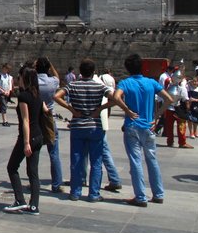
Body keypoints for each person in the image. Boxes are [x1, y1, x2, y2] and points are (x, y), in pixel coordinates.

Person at [54, 58, 132, 203]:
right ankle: (93, 193)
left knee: (76, 160)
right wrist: (100, 108)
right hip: (95, 127)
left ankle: (75, 192)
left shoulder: (73, 85)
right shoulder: (99, 86)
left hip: (78, 126)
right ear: (94, 72)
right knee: (96, 161)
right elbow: (116, 98)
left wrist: (71, 109)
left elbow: (56, 96)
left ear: (80, 72)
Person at [115, 53, 171, 207]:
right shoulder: (151, 82)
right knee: (152, 160)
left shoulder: (125, 83)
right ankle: (158, 194)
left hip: (132, 126)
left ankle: (140, 196)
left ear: (127, 69)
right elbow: (169, 99)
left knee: (136, 161)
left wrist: (127, 110)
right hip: (148, 126)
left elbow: (116, 97)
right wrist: (157, 116)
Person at [3, 65, 44, 215]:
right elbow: (46, 112)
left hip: (28, 137)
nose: (18, 80)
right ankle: (34, 206)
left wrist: (26, 142)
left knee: (12, 167)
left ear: (25, 79)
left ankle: (20, 200)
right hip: (39, 136)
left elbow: (26, 120)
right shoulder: (38, 96)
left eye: (20, 78)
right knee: (33, 172)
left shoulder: (24, 96)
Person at [35, 57, 64, 193]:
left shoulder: (33, 82)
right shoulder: (53, 82)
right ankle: (57, 184)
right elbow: (57, 76)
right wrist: (51, 64)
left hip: (35, 119)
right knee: (54, 152)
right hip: (50, 119)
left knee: (34, 153)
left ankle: (33, 182)